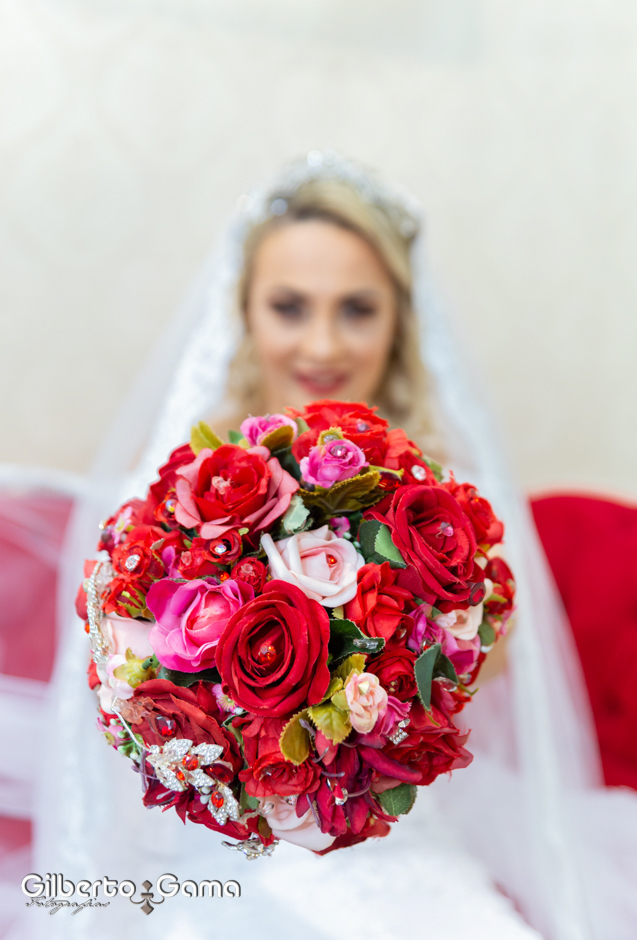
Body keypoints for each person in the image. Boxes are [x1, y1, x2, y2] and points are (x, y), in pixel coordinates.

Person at [10, 153, 637, 940]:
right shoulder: (176, 492)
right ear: (244, 309)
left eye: (357, 310)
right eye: (289, 307)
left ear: (399, 320)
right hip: (214, 854)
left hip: (398, 851)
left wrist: (374, 669)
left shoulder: (452, 509)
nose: (321, 344)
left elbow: (473, 691)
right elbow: (119, 698)